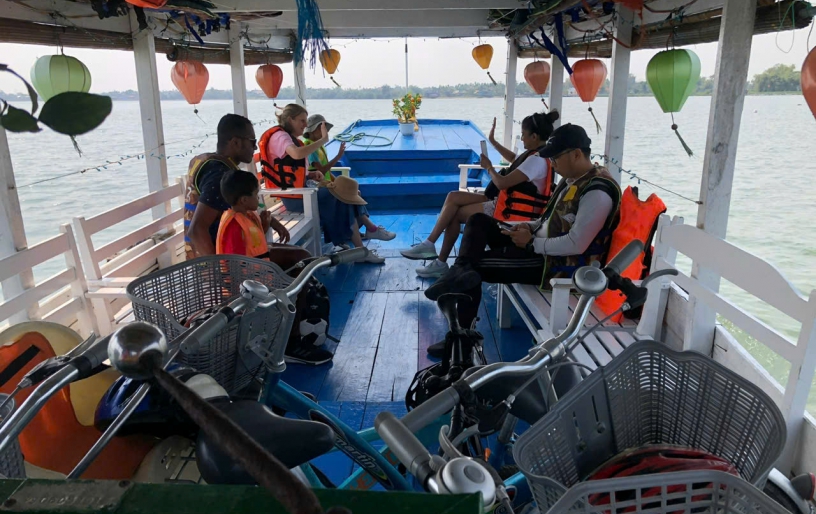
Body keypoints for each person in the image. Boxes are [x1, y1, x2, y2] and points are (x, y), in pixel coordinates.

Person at [423, 123, 622, 357]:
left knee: (474, 269)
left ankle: (460, 340)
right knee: (478, 221)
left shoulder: (597, 192)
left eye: (555, 158)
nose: (552, 164)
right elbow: (548, 219)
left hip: (554, 265)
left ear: (576, 154)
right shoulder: (573, 179)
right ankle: (459, 272)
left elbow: (577, 244)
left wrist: (530, 243)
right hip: (536, 245)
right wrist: (529, 227)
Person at [400, 111, 559, 278]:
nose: (523, 138)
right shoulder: (539, 155)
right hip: (506, 203)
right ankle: (430, 245)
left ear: (534, 136)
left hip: (512, 215)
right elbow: (515, 159)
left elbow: (502, 183)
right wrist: (494, 142)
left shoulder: (536, 160)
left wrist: (489, 167)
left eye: (524, 134)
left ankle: (439, 260)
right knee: (453, 196)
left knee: (455, 214)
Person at [216, 168, 334, 366]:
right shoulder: (234, 226)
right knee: (300, 265)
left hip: (261, 273)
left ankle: (294, 326)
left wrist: (267, 225)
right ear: (244, 200)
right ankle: (290, 343)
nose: (259, 197)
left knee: (303, 260)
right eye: (256, 194)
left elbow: (254, 247)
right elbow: (235, 264)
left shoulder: (245, 215)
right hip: (250, 289)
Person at [257, 105, 392, 263]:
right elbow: (297, 154)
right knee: (342, 196)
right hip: (295, 198)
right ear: (290, 119)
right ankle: (363, 241)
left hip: (301, 192)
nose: (305, 125)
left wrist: (310, 174)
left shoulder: (289, 138)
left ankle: (360, 246)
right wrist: (323, 140)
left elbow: (293, 169)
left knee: (345, 196)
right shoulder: (281, 137)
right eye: (301, 120)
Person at [301, 114, 396, 243]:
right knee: (349, 198)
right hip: (319, 187)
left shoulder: (319, 146)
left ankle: (358, 231)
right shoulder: (309, 146)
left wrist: (336, 181)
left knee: (355, 193)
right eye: (323, 129)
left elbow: (326, 172)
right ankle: (370, 229)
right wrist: (338, 156)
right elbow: (321, 170)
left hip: (326, 184)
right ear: (316, 129)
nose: (325, 132)